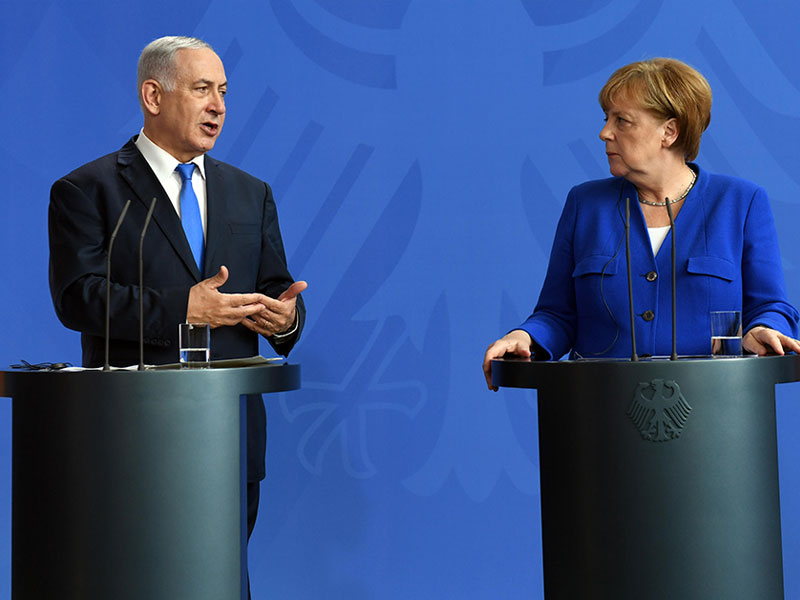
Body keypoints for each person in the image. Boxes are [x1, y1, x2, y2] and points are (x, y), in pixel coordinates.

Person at [48, 36, 306, 592]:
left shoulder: (249, 192)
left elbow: (276, 287)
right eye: (202, 90)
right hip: (132, 433)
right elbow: (76, 296)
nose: (219, 106)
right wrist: (183, 307)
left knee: (218, 582)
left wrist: (285, 320)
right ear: (153, 95)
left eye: (224, 92)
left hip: (229, 436)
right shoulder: (88, 190)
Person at [483, 57, 800, 390]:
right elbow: (558, 314)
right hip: (598, 412)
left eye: (622, 121)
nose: (604, 133)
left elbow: (769, 305)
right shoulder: (584, 205)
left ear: (669, 131)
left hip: (716, 411)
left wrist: (762, 328)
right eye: (607, 119)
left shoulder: (741, 202)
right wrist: (525, 336)